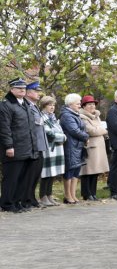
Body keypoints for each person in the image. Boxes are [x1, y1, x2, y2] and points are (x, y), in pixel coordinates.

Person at [0, 78, 39, 213]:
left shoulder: (25, 104)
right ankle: (7, 203)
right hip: (14, 148)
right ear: (12, 89)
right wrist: (9, 146)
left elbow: (30, 128)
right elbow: (4, 129)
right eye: (19, 88)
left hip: (27, 147)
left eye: (24, 88)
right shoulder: (6, 105)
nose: (22, 90)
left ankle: (17, 202)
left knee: (22, 178)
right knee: (11, 178)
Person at [20, 81, 48, 209]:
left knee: (36, 175)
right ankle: (25, 199)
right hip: (33, 146)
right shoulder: (27, 106)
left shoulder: (35, 106)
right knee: (29, 175)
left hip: (40, 145)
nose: (39, 94)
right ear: (29, 92)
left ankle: (31, 198)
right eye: (36, 91)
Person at [59, 93, 89, 206]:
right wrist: (86, 137)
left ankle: (73, 194)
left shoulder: (75, 114)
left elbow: (82, 128)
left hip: (78, 145)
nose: (80, 105)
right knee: (69, 170)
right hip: (70, 146)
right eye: (78, 103)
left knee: (76, 171)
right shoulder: (66, 115)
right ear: (70, 104)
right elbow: (74, 130)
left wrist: (85, 136)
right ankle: (67, 195)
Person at [78, 95, 109, 201]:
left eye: (93, 104)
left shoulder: (96, 116)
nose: (92, 106)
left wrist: (100, 129)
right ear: (84, 106)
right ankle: (86, 193)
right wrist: (102, 130)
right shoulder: (82, 117)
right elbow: (92, 131)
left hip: (99, 146)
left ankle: (93, 193)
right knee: (87, 172)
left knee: (96, 171)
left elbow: (99, 129)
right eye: (89, 104)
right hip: (90, 146)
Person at [38, 95, 66, 207]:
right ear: (44, 106)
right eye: (50, 105)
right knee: (46, 174)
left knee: (53, 174)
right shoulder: (42, 117)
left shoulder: (53, 117)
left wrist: (61, 136)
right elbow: (49, 134)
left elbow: (60, 131)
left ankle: (49, 195)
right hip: (48, 149)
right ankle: (42, 196)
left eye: (53, 105)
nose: (52, 107)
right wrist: (63, 137)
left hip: (57, 148)